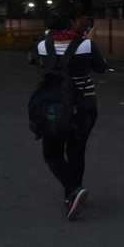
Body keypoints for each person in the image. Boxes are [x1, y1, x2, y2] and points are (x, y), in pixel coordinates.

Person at [37, 12, 107, 220]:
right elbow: (101, 68)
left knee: (51, 152)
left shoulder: (42, 46)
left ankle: (72, 194)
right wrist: (90, 43)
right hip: (84, 106)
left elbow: (43, 67)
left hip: (52, 107)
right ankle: (74, 190)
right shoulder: (86, 45)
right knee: (77, 151)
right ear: (70, 25)